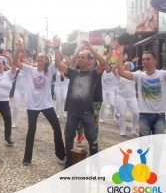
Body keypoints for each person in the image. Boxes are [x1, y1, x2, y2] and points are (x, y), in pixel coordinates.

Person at [53, 36, 106, 168]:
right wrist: (56, 48)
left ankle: (94, 162)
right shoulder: (73, 73)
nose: (79, 59)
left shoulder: (94, 73)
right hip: (73, 111)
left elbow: (104, 64)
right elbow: (59, 63)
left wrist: (91, 50)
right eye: (79, 57)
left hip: (87, 111)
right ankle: (69, 162)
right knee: (69, 136)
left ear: (89, 61)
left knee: (92, 137)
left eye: (83, 57)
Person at [13, 39, 65, 166]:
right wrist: (18, 51)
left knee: (57, 128)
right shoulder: (30, 69)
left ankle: (61, 155)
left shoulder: (50, 70)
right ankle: (27, 158)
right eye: (38, 57)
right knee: (31, 131)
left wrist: (57, 48)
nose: (39, 58)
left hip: (46, 104)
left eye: (42, 57)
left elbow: (59, 61)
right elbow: (15, 63)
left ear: (46, 60)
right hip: (32, 106)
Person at [116, 46, 165, 136]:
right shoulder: (139, 75)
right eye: (143, 59)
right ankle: (122, 130)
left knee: (158, 144)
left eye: (148, 59)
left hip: (160, 116)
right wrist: (120, 55)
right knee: (144, 145)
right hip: (144, 116)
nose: (145, 61)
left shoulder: (162, 74)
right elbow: (121, 72)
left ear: (155, 60)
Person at [115, 61, 139, 136]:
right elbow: (112, 70)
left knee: (136, 113)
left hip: (132, 97)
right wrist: (119, 62)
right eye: (124, 65)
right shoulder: (119, 74)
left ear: (130, 67)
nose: (126, 66)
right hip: (121, 97)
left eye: (127, 65)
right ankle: (122, 131)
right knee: (122, 114)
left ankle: (133, 128)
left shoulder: (134, 75)